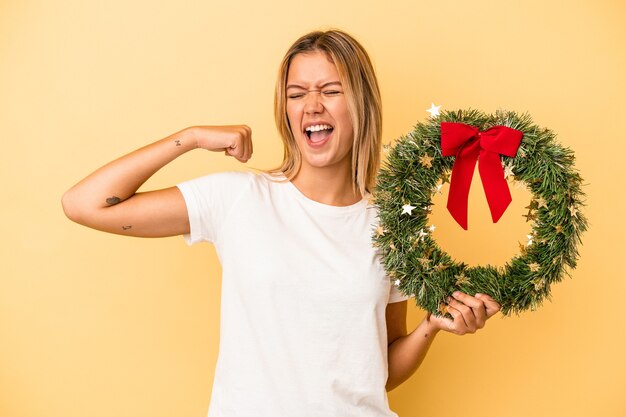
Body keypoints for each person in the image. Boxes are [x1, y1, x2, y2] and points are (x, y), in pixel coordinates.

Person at [62, 29, 500, 417]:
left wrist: (431, 327)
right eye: (296, 94)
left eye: (330, 90)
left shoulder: (390, 227)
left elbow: (376, 372)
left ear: (360, 104)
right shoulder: (238, 198)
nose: (311, 106)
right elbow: (85, 204)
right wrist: (190, 138)